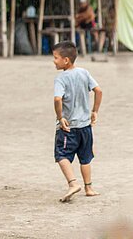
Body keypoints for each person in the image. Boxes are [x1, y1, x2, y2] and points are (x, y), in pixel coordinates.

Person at [52, 41, 102, 202]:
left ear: (66, 60)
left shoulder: (61, 78)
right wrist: (94, 111)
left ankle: (73, 183)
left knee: (61, 155)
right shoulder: (84, 73)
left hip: (69, 127)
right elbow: (98, 90)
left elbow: (58, 99)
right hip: (86, 126)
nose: (54, 61)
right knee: (85, 157)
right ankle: (89, 187)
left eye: (56, 58)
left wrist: (60, 118)